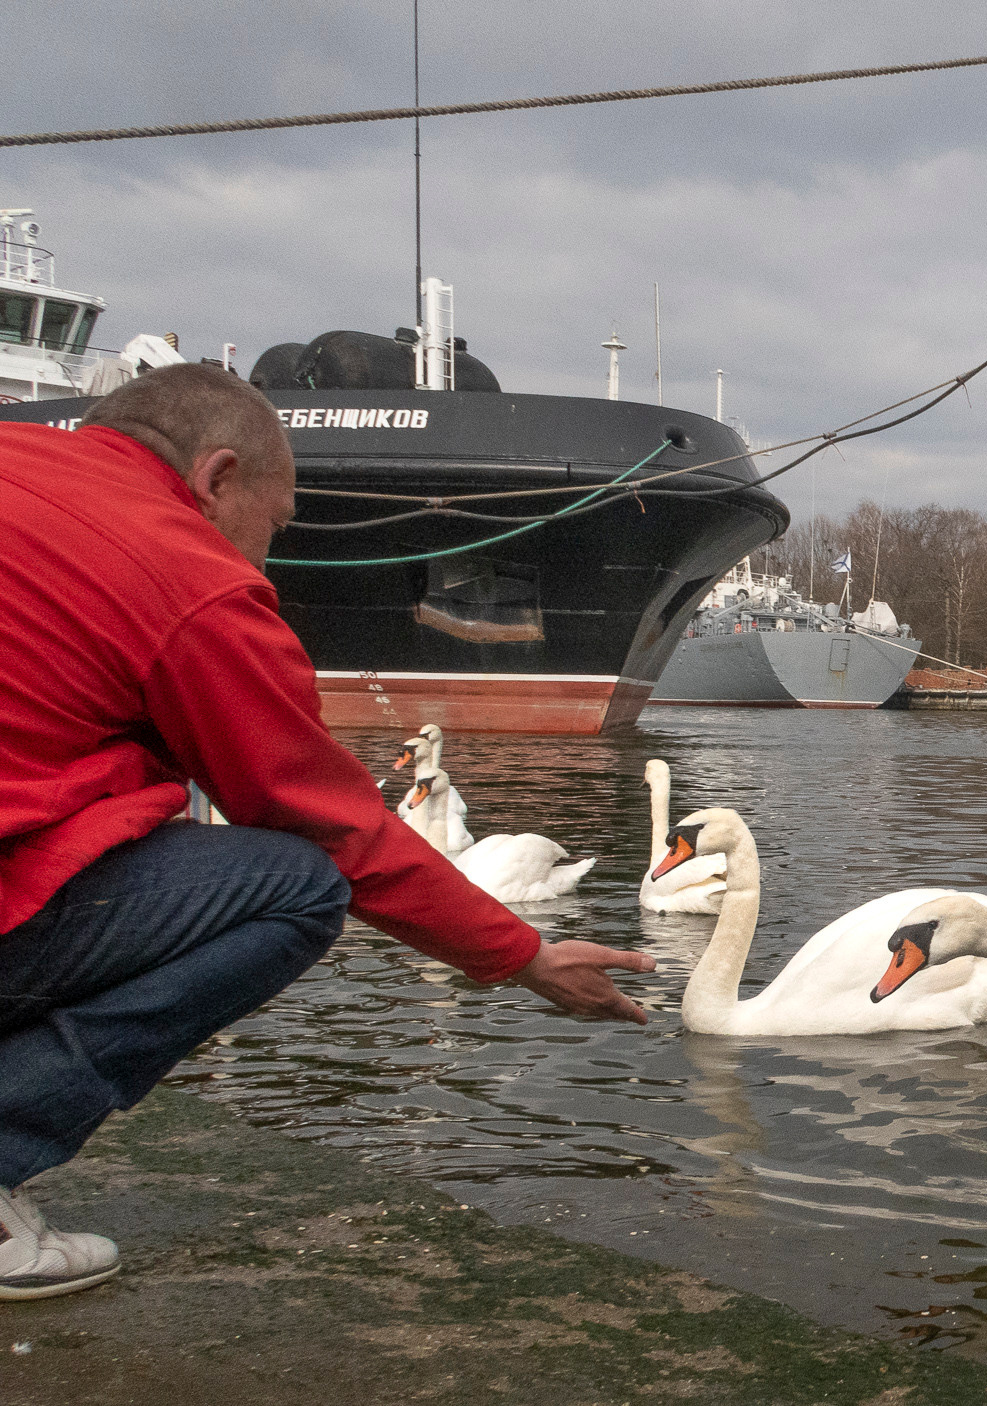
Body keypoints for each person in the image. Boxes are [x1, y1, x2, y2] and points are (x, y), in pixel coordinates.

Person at [0, 365, 653, 1301]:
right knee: (296, 886)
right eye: (277, 522)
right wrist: (521, 957)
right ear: (217, 478)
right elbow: (328, 822)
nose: (266, 559)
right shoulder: (185, 577)